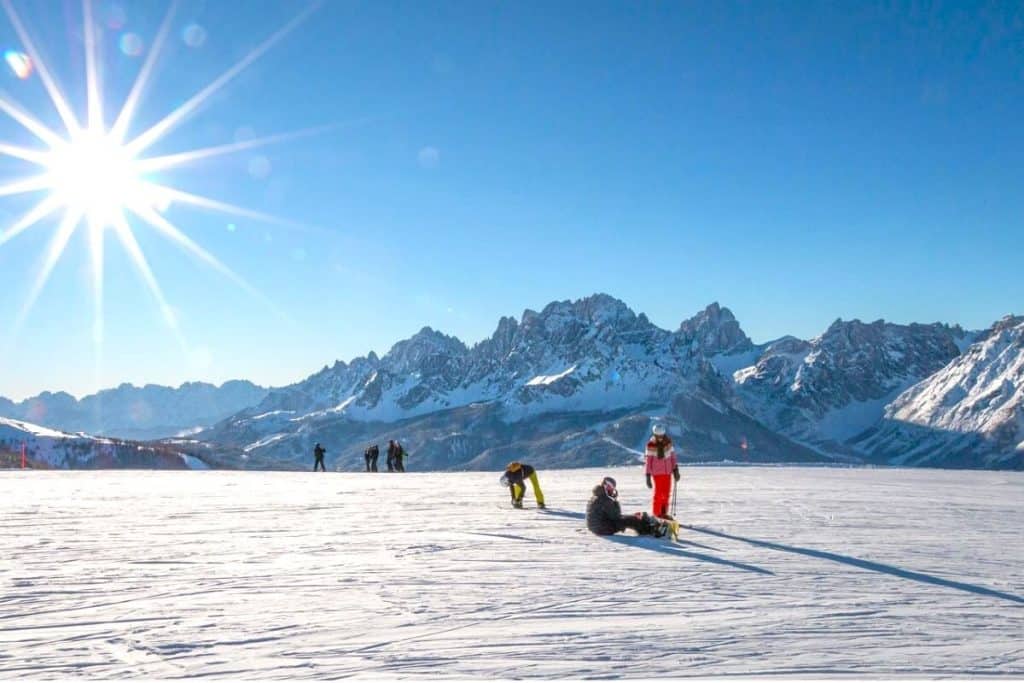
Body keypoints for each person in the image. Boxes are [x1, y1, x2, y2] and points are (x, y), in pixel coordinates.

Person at [586, 476, 671, 537]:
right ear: (604, 486)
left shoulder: (599, 496)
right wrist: (615, 501)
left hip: (598, 526)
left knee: (631, 518)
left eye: (612, 487)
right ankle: (653, 531)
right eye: (609, 487)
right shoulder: (604, 499)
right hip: (601, 528)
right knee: (631, 520)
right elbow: (616, 516)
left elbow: (613, 515)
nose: (611, 489)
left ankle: (649, 525)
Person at [645, 424, 680, 518]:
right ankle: (656, 515)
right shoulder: (651, 445)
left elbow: (672, 457)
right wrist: (647, 475)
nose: (660, 438)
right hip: (657, 473)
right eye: (658, 436)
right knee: (659, 495)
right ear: (655, 434)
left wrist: (675, 470)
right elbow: (648, 461)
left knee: (666, 494)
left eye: (661, 435)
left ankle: (663, 514)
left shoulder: (668, 442)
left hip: (668, 472)